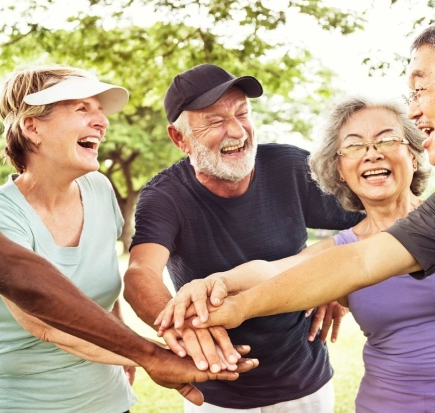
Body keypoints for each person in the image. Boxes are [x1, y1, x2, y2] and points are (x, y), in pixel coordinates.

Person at [0, 2, 255, 403]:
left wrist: (124, 349)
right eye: (81, 109)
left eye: (100, 110)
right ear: (32, 127)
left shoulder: (99, 189)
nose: (102, 121)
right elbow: (46, 326)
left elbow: (101, 295)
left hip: (110, 398)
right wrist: (151, 355)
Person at [181, 18, 435, 394]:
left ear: (413, 154)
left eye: (386, 139)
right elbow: (348, 263)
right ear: (339, 168)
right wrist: (218, 289)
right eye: (354, 145)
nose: (371, 154)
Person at [123, 63, 362, 412]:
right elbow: (140, 273)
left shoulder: (290, 166)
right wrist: (187, 329)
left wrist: (337, 283)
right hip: (216, 391)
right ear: (180, 139)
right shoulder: (164, 196)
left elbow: (377, 216)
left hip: (304, 383)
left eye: (242, 113)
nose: (236, 130)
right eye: (215, 121)